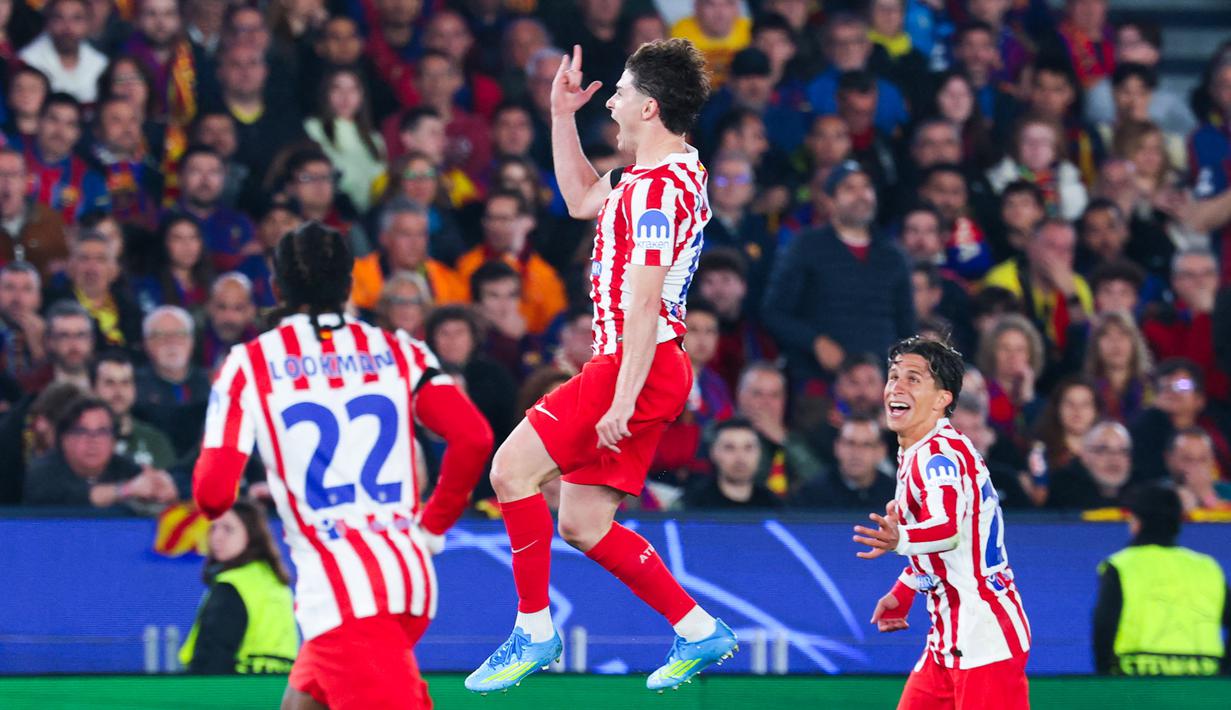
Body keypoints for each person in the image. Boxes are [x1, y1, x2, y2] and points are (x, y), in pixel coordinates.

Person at [465, 41, 737, 695]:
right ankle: (699, 629)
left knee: (509, 470)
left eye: (618, 91)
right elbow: (583, 199)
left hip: (633, 365)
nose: (608, 100)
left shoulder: (655, 196)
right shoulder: (666, 175)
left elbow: (643, 304)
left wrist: (622, 396)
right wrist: (559, 116)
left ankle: (533, 629)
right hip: (649, 367)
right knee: (583, 523)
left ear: (647, 107)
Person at [191, 222, 493, 709]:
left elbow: (212, 496)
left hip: (341, 591)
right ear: (350, 283)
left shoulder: (248, 364)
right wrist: (433, 525)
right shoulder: (398, 349)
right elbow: (473, 436)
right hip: (405, 574)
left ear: (277, 287)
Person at [854, 336, 1030, 710]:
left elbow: (947, 530)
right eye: (894, 376)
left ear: (942, 398)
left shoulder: (937, 458)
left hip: (983, 637)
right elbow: (950, 544)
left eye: (913, 379)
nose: (896, 387)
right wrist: (903, 592)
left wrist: (900, 538)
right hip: (948, 639)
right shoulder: (923, 449)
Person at [762, 160, 914, 386]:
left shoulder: (894, 255)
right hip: (819, 381)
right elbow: (774, 313)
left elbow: (906, 326)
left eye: (866, 187)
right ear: (830, 200)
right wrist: (816, 342)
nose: (861, 195)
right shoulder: (805, 246)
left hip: (880, 384)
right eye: (849, 188)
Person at [1093, 482, 1229, 675]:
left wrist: (1105, 681)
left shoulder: (1120, 565)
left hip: (1137, 683)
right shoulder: (1208, 567)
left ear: (1136, 523)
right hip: (1202, 683)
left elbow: (1104, 628)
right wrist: (1224, 673)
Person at [179, 500, 298, 674]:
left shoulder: (232, 584)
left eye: (228, 529)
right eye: (213, 528)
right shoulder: (276, 583)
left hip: (234, 692)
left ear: (251, 534)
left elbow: (213, 655)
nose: (216, 537)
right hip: (278, 690)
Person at [23, 394, 178, 508]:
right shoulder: (42, 472)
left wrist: (161, 489)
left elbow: (152, 490)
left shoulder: (124, 466)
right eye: (82, 431)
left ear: (113, 440)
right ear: (64, 439)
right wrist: (125, 490)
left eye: (102, 432)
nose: (93, 440)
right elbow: (74, 498)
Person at [92, 349, 177, 470]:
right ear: (93, 389)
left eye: (125, 383)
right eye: (109, 383)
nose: (118, 391)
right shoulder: (80, 442)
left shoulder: (155, 442)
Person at [793, 415, 894, 509]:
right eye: (850, 443)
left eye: (866, 445)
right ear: (837, 447)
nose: (856, 453)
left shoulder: (895, 495)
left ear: (881, 452)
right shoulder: (812, 494)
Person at [683, 417, 780, 509]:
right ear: (713, 453)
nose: (740, 458)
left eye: (748, 448)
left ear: (760, 453)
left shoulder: (775, 507)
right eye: (729, 448)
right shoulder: (691, 505)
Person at [1048, 420, 1134, 510]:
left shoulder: (1142, 494)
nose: (1114, 459)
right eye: (1102, 450)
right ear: (1084, 456)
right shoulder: (1062, 490)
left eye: (1123, 451)